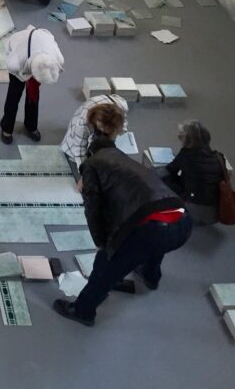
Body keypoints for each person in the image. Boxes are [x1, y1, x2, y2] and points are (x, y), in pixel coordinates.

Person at [54, 132, 192, 327]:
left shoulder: (93, 165)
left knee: (107, 263)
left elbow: (93, 207)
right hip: (183, 220)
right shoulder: (127, 161)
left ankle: (83, 310)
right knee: (157, 237)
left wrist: (103, 243)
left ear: (91, 152)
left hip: (152, 228)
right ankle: (150, 276)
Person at [0, 25, 64, 144]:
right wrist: (25, 76)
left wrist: (35, 81)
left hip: (42, 47)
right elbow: (7, 53)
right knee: (13, 97)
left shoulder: (57, 59)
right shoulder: (15, 63)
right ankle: (6, 128)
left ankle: (31, 125)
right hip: (21, 59)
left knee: (33, 94)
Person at [162, 120, 226, 225]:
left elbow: (168, 170)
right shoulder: (219, 157)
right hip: (216, 212)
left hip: (193, 210)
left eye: (180, 137)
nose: (179, 139)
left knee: (164, 179)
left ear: (188, 140)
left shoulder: (186, 154)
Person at [60, 96, 129, 182]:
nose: (103, 131)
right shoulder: (82, 123)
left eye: (107, 130)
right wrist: (84, 173)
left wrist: (117, 132)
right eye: (102, 128)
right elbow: (79, 150)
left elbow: (123, 123)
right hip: (85, 116)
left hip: (103, 109)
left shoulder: (120, 106)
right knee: (73, 151)